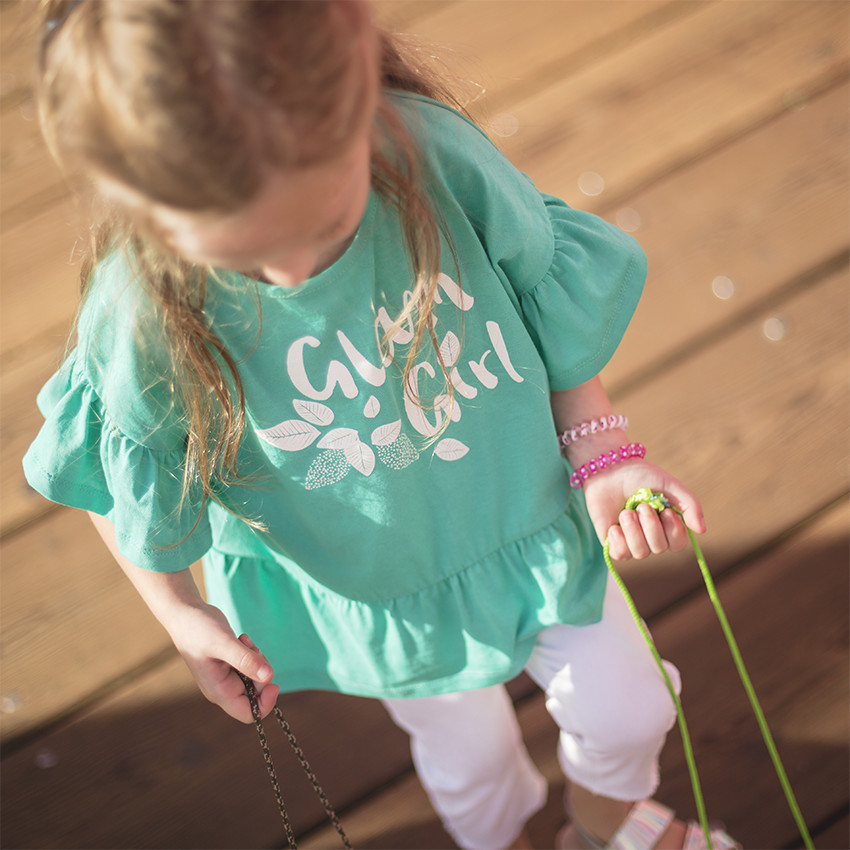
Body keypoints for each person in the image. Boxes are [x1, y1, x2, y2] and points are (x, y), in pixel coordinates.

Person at [24, 2, 739, 848]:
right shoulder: (142, 312)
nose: (293, 271)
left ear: (358, 88)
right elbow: (115, 472)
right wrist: (179, 614)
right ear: (146, 209)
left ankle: (599, 833)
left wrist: (598, 445)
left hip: (532, 517)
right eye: (238, 255)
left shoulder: (428, 155)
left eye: (325, 223)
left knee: (632, 710)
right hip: (376, 581)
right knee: (467, 764)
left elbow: (543, 290)